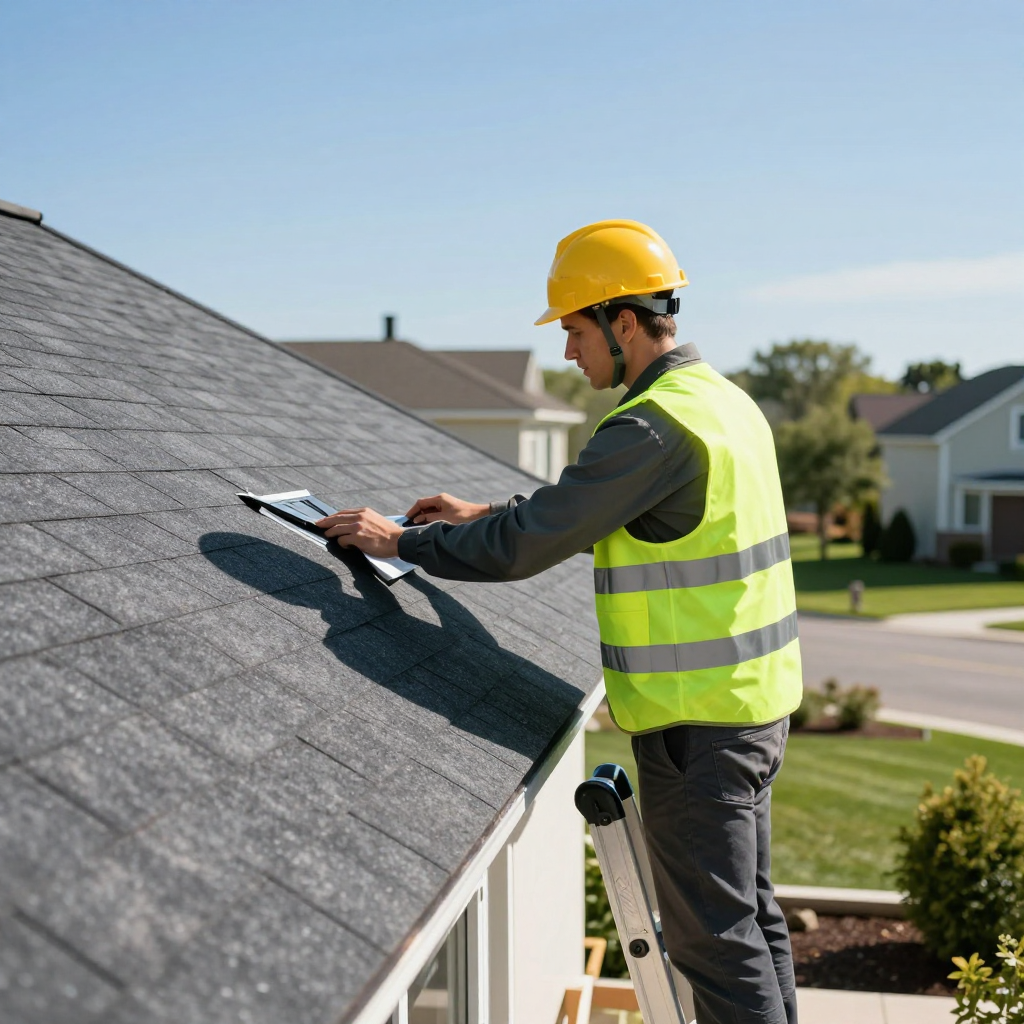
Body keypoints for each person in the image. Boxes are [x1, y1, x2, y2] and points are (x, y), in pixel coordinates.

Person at [317, 219, 803, 1024]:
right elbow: (619, 519)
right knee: (752, 926)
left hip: (699, 728)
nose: (569, 355)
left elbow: (530, 544)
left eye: (576, 331)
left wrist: (403, 540)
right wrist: (487, 509)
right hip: (754, 711)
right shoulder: (724, 405)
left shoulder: (650, 426)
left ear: (622, 320)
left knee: (713, 945)